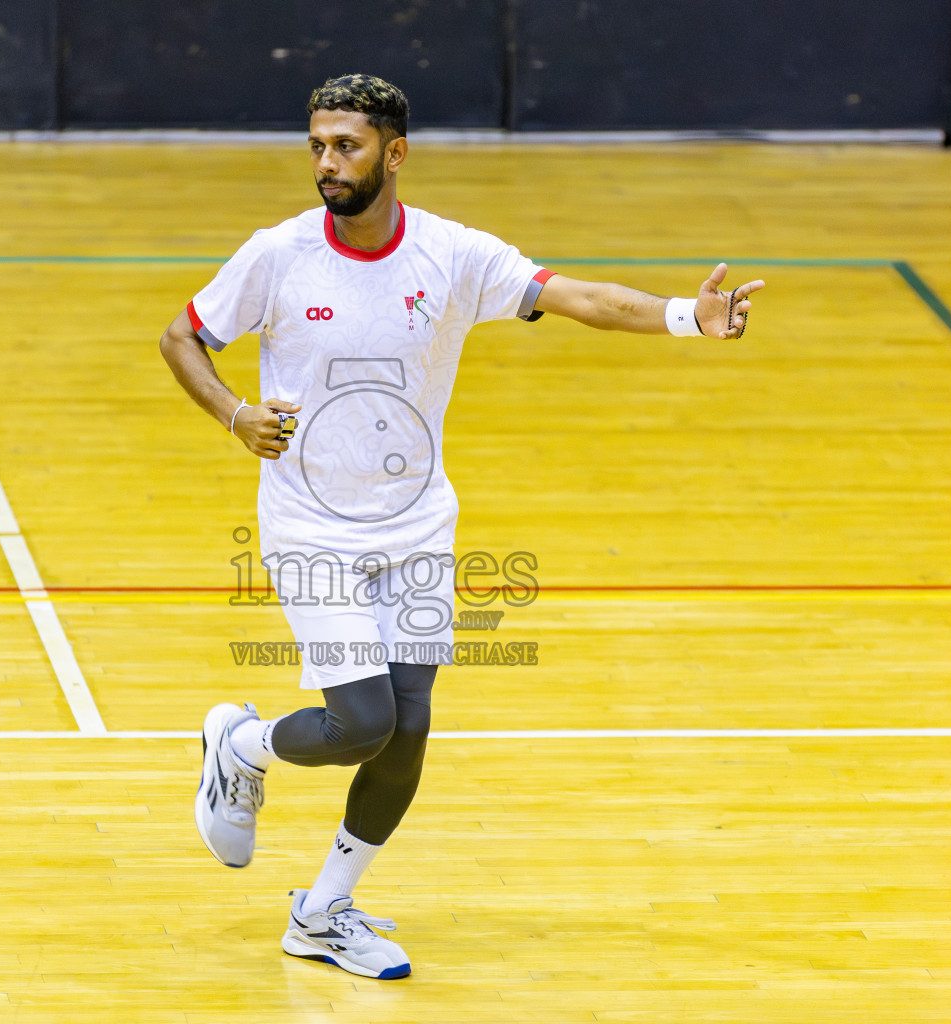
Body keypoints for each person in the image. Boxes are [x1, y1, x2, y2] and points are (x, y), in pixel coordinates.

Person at [159, 73, 762, 981]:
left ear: (394, 154)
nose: (328, 162)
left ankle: (323, 912)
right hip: (309, 528)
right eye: (318, 144)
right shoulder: (277, 254)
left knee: (409, 729)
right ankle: (240, 746)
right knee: (360, 724)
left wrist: (689, 319)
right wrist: (235, 413)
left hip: (416, 530)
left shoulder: (451, 255)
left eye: (347, 146)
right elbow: (182, 337)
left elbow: (580, 299)